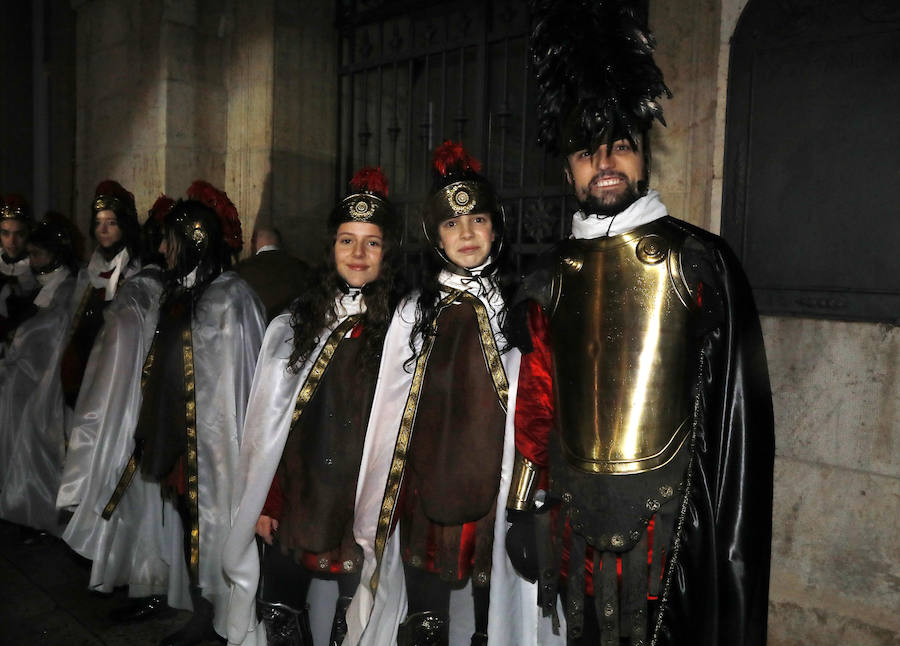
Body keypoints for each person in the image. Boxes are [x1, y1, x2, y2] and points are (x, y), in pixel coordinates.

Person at [505, 2, 775, 645]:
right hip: (574, 523)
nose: (604, 162)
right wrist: (522, 504)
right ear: (567, 168)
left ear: (643, 158)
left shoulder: (700, 261)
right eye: (586, 151)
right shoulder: (549, 275)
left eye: (620, 146)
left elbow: (731, 414)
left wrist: (710, 531)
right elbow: (537, 400)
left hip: (672, 533)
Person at [349, 142, 543, 646]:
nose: (467, 234)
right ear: (436, 236)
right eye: (452, 224)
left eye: (478, 220)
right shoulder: (414, 312)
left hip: (496, 483)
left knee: (488, 610)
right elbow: (391, 409)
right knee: (427, 613)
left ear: (496, 228)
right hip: (426, 483)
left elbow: (534, 398)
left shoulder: (519, 306)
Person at [223, 167, 399, 646]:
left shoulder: (402, 332)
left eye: (372, 243)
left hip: (360, 504)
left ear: (388, 252)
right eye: (347, 241)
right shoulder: (295, 324)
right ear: (330, 248)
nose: (358, 254)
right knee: (281, 612)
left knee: (353, 618)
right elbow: (269, 428)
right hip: (299, 496)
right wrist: (266, 500)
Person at [101, 191, 266, 646]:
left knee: (213, 525)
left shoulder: (229, 298)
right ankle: (203, 612)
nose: (161, 249)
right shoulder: (184, 293)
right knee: (192, 525)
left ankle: (222, 619)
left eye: (169, 241)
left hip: (216, 445)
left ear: (194, 241)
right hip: (183, 439)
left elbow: (236, 380)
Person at [57, 195, 191, 621]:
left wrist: (103, 413)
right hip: (146, 412)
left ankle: (151, 585)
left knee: (144, 506)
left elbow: (115, 360)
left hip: (137, 413)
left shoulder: (140, 292)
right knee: (143, 505)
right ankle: (146, 583)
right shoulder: (153, 288)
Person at [0, 218, 78, 536]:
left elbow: (49, 330)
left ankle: (37, 510)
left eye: (38, 254)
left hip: (46, 382)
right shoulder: (44, 287)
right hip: (28, 379)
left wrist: (18, 339)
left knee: (37, 443)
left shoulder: (66, 287)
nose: (32, 262)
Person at [60, 180, 142, 410]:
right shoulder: (87, 274)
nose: (103, 230)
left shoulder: (135, 275)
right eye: (98, 223)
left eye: (111, 223)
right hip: (84, 370)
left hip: (116, 373)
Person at [235, 225, 310, 321]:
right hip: (295, 327)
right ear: (280, 242)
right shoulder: (302, 267)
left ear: (253, 244)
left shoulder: (241, 270)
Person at [0, 194, 38, 354]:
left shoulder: (37, 266)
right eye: (5, 233)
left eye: (19, 234)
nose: (12, 241)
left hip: (27, 347)